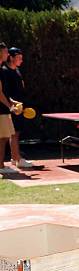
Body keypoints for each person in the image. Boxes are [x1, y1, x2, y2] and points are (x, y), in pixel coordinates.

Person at [2, 47, 35, 169]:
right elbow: (4, 92)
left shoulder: (17, 71)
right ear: (11, 58)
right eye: (19, 58)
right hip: (11, 108)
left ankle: (15, 158)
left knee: (16, 133)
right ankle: (17, 159)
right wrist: (12, 105)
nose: (21, 60)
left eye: (22, 58)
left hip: (19, 107)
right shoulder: (5, 72)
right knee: (13, 133)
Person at [0, 42, 21, 175]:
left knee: (3, 137)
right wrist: (10, 106)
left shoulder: (1, 69)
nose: (8, 54)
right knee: (2, 139)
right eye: (6, 52)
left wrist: (12, 102)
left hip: (4, 109)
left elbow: (5, 93)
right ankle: (1, 165)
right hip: (1, 110)